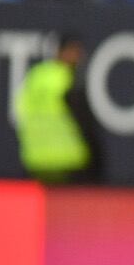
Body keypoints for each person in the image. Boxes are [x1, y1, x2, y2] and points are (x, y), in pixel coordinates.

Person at [14, 35, 104, 184]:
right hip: (69, 163)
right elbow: (85, 124)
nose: (79, 57)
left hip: (36, 162)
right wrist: (97, 162)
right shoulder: (66, 81)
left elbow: (20, 112)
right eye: (75, 51)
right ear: (61, 51)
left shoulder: (34, 77)